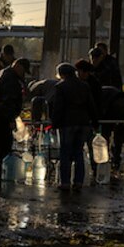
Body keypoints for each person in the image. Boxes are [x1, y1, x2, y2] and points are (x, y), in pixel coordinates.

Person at [49, 63, 97, 191]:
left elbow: (58, 108)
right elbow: (91, 105)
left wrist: (54, 124)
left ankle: (65, 182)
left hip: (67, 123)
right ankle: (78, 182)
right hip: (83, 123)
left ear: (62, 74)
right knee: (79, 152)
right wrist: (94, 122)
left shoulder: (61, 87)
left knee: (65, 153)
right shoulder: (84, 85)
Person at [0, 58, 30, 175]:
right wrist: (11, 118)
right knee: (4, 144)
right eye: (23, 71)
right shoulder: (10, 79)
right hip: (5, 116)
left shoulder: (2, 73)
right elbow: (9, 101)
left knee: (1, 143)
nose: (23, 74)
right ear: (18, 66)